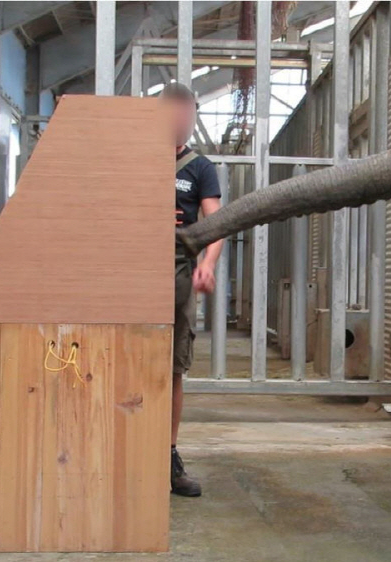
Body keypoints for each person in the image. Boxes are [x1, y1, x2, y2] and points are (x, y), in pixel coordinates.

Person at [161, 83, 223, 498]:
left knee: (173, 368)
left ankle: (168, 456)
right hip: (133, 271)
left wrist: (207, 264)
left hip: (179, 273)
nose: (183, 121)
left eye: (188, 115)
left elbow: (216, 223)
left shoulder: (199, 167)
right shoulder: (135, 156)